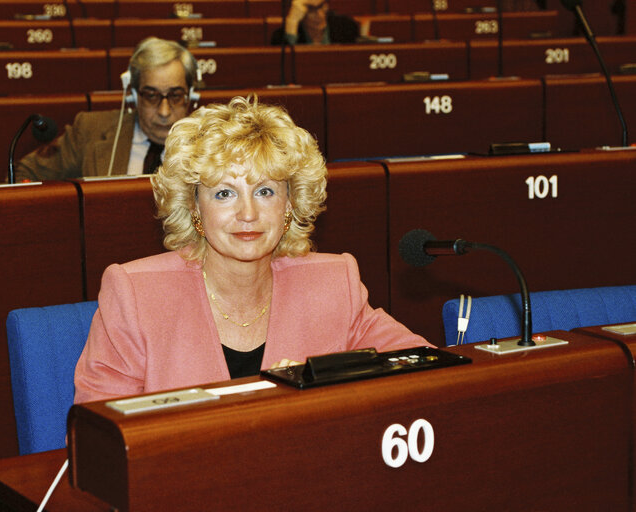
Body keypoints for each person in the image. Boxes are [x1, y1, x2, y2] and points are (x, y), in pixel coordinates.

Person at [73, 96, 431, 403]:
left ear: (289, 204)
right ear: (195, 207)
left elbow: (424, 368)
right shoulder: (136, 294)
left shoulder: (334, 284)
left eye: (265, 191)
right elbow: (100, 432)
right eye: (224, 193)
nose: (248, 213)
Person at [14, 37, 198, 181]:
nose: (164, 112)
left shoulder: (213, 144)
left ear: (189, 95)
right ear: (133, 95)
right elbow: (25, 174)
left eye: (175, 96)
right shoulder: (90, 130)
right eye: (151, 96)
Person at [270, 0, 359, 45]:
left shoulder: (346, 27)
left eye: (321, 6)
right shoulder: (280, 36)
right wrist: (292, 23)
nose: (319, 14)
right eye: (311, 9)